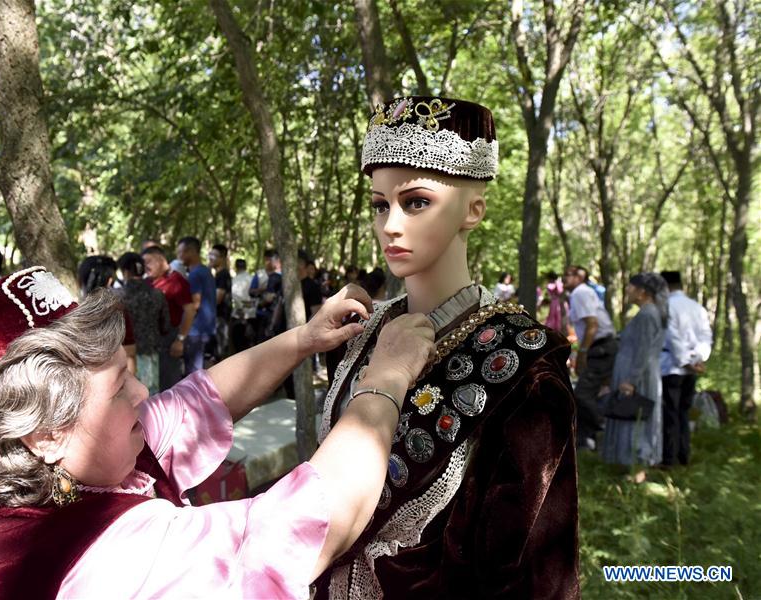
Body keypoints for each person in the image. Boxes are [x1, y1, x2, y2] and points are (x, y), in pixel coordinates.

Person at [0, 266, 436, 598]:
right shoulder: (106, 557)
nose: (142, 393)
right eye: (119, 387)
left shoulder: (58, 470)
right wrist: (387, 377)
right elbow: (298, 527)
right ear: (45, 434)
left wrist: (303, 339)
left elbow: (200, 400)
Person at [315, 96, 579, 599]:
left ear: (473, 209)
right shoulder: (360, 331)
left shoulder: (526, 366)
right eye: (380, 204)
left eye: (416, 201)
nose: (390, 225)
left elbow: (531, 576)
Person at [601, 273, 669, 469]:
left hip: (639, 374)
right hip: (637, 370)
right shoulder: (647, 312)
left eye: (631, 287)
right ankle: (630, 463)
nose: (628, 290)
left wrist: (632, 379)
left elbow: (643, 350)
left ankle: (638, 464)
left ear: (642, 292)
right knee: (629, 414)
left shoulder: (648, 314)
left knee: (634, 415)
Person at [660, 270, 712, 467]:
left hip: (671, 367)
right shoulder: (697, 307)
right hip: (690, 368)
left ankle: (669, 458)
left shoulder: (667, 306)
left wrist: (686, 361)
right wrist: (698, 358)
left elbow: (672, 338)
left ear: (665, 286)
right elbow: (706, 337)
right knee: (683, 411)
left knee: (671, 413)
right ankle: (683, 455)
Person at [564, 264, 617, 450]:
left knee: (582, 395)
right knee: (592, 394)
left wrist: (583, 352)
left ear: (579, 278)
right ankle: (585, 441)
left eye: (569, 275)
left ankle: (605, 428)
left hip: (600, 347)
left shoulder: (580, 293)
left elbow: (592, 325)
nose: (564, 278)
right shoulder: (580, 294)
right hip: (602, 346)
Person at [116, 252, 171, 395]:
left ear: (125, 272)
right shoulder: (157, 294)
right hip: (152, 351)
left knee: (129, 397)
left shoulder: (118, 295)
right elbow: (166, 325)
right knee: (150, 394)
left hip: (125, 355)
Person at [141, 246, 193, 389]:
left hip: (169, 339)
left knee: (169, 386)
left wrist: (180, 339)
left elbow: (190, 310)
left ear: (160, 260)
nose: (145, 267)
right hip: (150, 341)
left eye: (148, 262)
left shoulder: (176, 281)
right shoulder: (148, 281)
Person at [176, 237, 217, 374]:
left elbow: (195, 304)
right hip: (207, 330)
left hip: (195, 332)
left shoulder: (195, 274)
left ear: (191, 252)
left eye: (181, 252)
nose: (179, 256)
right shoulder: (206, 271)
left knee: (194, 374)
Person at [250, 249, 283, 341]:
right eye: (266, 260)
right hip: (261, 314)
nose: (267, 262)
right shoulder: (259, 274)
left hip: (276, 315)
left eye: (269, 260)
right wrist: (262, 290)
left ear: (277, 260)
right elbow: (251, 291)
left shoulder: (283, 275)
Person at [209, 243, 232, 359]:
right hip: (218, 318)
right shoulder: (218, 274)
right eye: (210, 254)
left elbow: (218, 298)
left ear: (222, 258)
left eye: (214, 255)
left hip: (221, 318)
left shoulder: (223, 275)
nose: (210, 258)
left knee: (220, 352)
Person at [230, 258, 256, 352]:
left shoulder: (235, 280)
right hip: (252, 314)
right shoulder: (252, 278)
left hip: (239, 315)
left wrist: (241, 310)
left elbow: (236, 297)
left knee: (239, 345)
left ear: (236, 267)